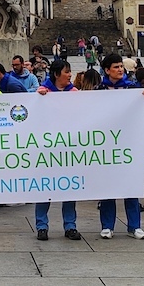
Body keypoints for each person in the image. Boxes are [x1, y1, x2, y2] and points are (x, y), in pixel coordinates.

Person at [96, 53, 144, 239]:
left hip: (128, 143)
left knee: (130, 185)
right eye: (116, 67)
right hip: (107, 144)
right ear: (107, 70)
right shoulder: (99, 90)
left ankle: (134, 226)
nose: (120, 70)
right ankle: (107, 225)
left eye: (121, 66)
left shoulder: (133, 88)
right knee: (108, 186)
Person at [34, 59, 81, 240]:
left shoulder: (74, 93)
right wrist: (37, 98)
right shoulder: (41, 92)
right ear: (56, 74)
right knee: (44, 187)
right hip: (47, 149)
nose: (70, 75)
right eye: (66, 72)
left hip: (68, 148)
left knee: (68, 187)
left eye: (70, 72)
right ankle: (42, 226)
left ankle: (70, 226)